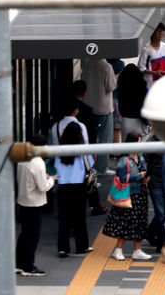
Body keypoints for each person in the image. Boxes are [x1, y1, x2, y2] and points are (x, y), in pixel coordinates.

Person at [103, 133, 152, 261]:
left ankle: (137, 249)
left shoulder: (140, 156)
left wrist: (146, 178)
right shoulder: (124, 160)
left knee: (140, 221)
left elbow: (144, 171)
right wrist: (139, 176)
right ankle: (118, 250)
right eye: (138, 142)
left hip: (141, 193)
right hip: (128, 195)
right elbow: (122, 177)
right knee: (124, 222)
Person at [16, 133, 56, 277]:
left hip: (22, 201)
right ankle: (28, 267)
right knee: (32, 236)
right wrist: (51, 180)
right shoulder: (38, 162)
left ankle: (19, 264)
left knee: (24, 234)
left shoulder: (23, 158)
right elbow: (42, 187)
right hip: (34, 203)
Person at [54, 120, 93, 258]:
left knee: (64, 218)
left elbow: (55, 166)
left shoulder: (58, 150)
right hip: (79, 186)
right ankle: (81, 246)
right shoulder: (83, 151)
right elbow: (90, 165)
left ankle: (63, 248)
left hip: (63, 186)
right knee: (79, 218)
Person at [72, 80, 108, 216]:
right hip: (84, 150)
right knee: (90, 176)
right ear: (85, 92)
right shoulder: (87, 110)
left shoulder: (62, 109)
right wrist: (93, 151)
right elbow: (92, 133)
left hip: (64, 150)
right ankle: (95, 205)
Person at [82, 57, 117, 175]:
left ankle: (88, 166)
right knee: (104, 139)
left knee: (89, 138)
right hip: (103, 108)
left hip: (89, 105)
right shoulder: (107, 67)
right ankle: (102, 167)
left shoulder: (88, 63)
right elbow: (111, 87)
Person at [144, 136, 165, 251]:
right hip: (155, 182)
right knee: (160, 212)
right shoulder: (151, 143)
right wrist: (145, 178)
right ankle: (161, 241)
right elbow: (145, 164)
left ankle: (149, 232)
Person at [117, 63, 149, 139]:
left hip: (126, 121)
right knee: (143, 145)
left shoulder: (122, 89)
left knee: (126, 145)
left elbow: (120, 106)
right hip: (141, 121)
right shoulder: (143, 88)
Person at [138, 23, 165, 89]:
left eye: (162, 31)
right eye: (158, 31)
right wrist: (155, 73)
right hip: (149, 85)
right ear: (152, 33)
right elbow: (141, 69)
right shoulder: (146, 50)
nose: (161, 33)